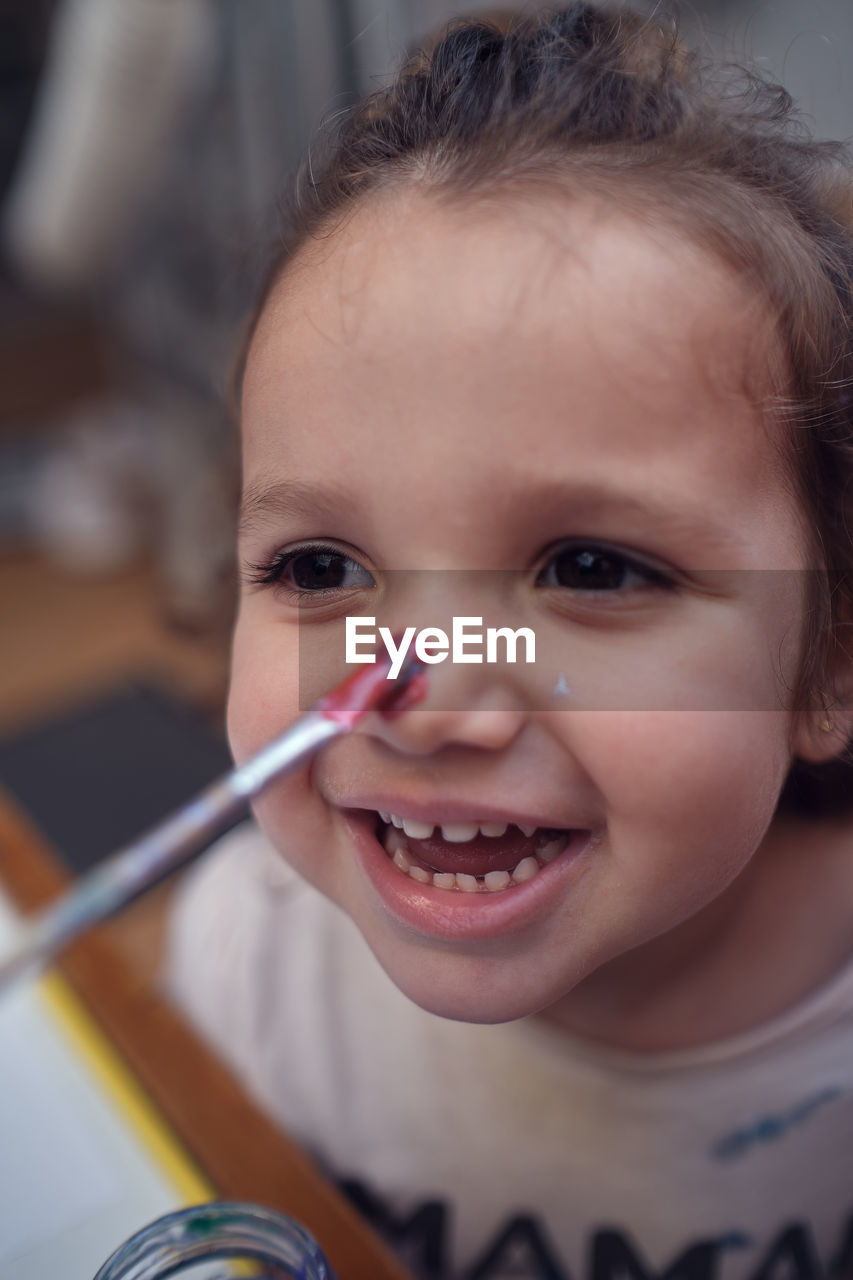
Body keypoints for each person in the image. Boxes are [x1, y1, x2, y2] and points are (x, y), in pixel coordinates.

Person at [167, 6, 853, 1278]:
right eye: (320, 568)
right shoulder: (245, 967)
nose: (424, 705)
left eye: (589, 567)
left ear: (827, 657)